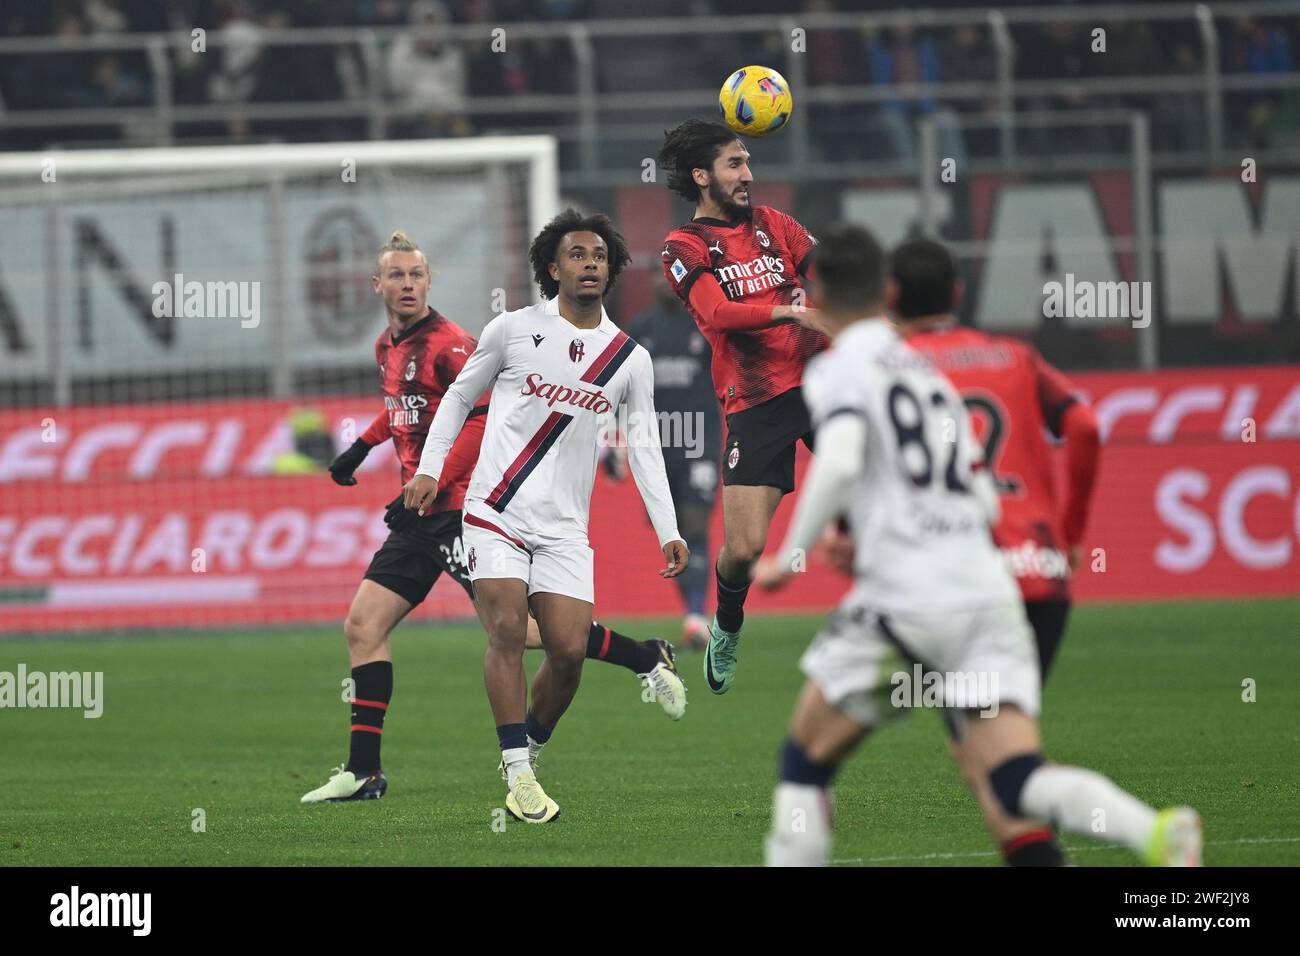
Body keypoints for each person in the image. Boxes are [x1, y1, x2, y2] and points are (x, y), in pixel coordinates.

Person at [753, 223, 1201, 867]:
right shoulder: (923, 371)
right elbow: (982, 495)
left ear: (816, 291)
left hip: (909, 599)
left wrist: (789, 557)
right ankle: (1154, 834)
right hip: (989, 593)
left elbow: (844, 457)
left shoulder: (839, 368)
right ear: (884, 289)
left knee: (804, 760)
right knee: (1013, 775)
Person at [301, 229, 685, 805]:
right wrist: (365, 448)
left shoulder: (459, 342)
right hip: (462, 512)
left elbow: (473, 414)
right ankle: (366, 771)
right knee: (368, 626)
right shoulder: (395, 345)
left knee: (552, 641)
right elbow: (416, 409)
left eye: (416, 274)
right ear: (376, 285)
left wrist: (668, 529)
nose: (407, 285)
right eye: (396, 276)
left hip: (455, 509)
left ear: (429, 281)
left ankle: (640, 656)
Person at [823, 236, 1104, 865]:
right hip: (1041, 575)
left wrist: (845, 533)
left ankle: (1153, 834)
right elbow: (1085, 425)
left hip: (958, 580)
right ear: (957, 294)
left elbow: (859, 455)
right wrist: (1072, 531)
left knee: (998, 763)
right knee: (988, 754)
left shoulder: (896, 364)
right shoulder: (1015, 355)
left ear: (889, 296)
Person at [404, 211, 688, 823]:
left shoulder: (629, 359)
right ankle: (518, 772)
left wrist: (668, 530)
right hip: (494, 510)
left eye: (599, 255)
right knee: (506, 630)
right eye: (576, 254)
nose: (589, 263)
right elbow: (457, 398)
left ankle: (528, 744)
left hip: (564, 526)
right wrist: (430, 469)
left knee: (565, 650)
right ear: (552, 268)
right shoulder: (510, 330)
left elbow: (642, 447)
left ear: (610, 268)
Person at [657, 118, 824, 695]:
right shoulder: (684, 246)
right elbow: (716, 315)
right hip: (756, 400)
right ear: (702, 176)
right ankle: (726, 623)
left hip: (823, 381)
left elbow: (827, 274)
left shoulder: (774, 224)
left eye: (748, 162)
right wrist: (788, 312)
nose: (748, 174)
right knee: (744, 549)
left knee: (885, 488)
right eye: (735, 164)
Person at [625, 273, 722, 649]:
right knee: (674, 532)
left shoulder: (706, 326)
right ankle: (693, 614)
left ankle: (697, 616)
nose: (665, 283)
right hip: (656, 448)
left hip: (699, 443)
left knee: (696, 525)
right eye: (658, 275)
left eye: (672, 276)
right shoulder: (642, 329)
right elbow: (626, 389)